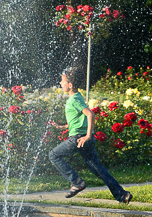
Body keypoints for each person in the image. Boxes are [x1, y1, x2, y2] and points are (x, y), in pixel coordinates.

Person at [48, 66, 132, 203]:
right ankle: (122, 194)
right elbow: (78, 118)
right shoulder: (77, 96)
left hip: (79, 139)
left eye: (62, 81)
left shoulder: (73, 99)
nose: (60, 83)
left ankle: (76, 182)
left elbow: (90, 114)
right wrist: (64, 126)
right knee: (98, 170)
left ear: (70, 85)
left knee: (53, 155)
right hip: (84, 138)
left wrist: (87, 136)